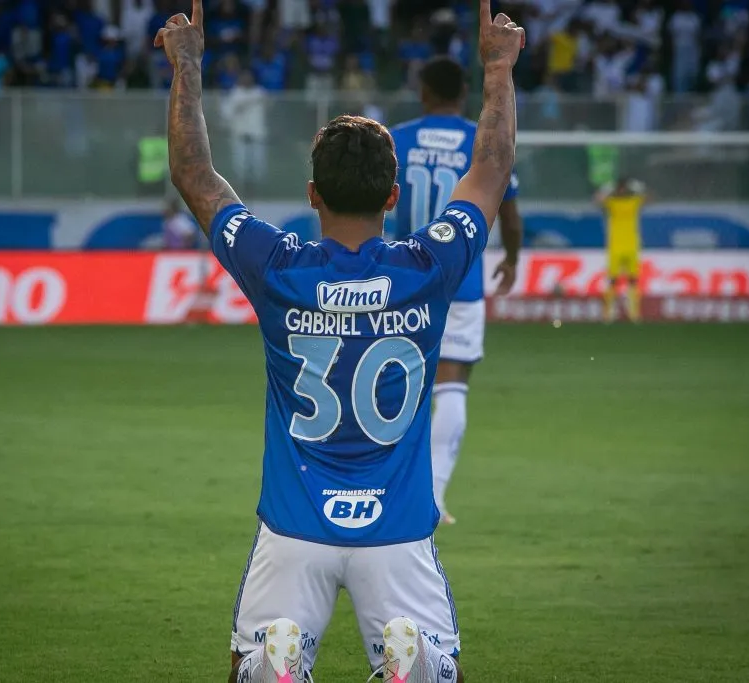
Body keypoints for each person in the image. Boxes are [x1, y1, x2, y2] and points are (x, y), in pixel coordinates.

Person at [153, 1, 523, 681]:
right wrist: (498, 66)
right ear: (392, 198)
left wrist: (186, 65)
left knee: (246, 662)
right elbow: (492, 167)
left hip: (295, 526)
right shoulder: (429, 265)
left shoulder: (279, 267)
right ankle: (419, 662)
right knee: (444, 667)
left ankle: (274, 659)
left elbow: (195, 178)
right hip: (400, 531)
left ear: (313, 193)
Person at [389, 56, 523, 525]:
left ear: (423, 91)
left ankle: (391, 489)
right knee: (452, 388)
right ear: (462, 93)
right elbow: (507, 210)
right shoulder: (479, 140)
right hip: (461, 279)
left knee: (401, 386)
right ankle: (436, 494)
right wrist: (511, 257)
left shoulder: (397, 139)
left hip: (406, 279)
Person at [594, 176, 647, 323]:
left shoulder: (633, 201)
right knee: (613, 280)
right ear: (617, 189)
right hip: (615, 246)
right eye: (620, 187)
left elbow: (650, 198)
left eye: (625, 188)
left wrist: (639, 188)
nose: (622, 190)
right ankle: (608, 314)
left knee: (633, 280)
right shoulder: (613, 203)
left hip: (632, 245)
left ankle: (634, 314)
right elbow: (597, 200)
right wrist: (607, 189)